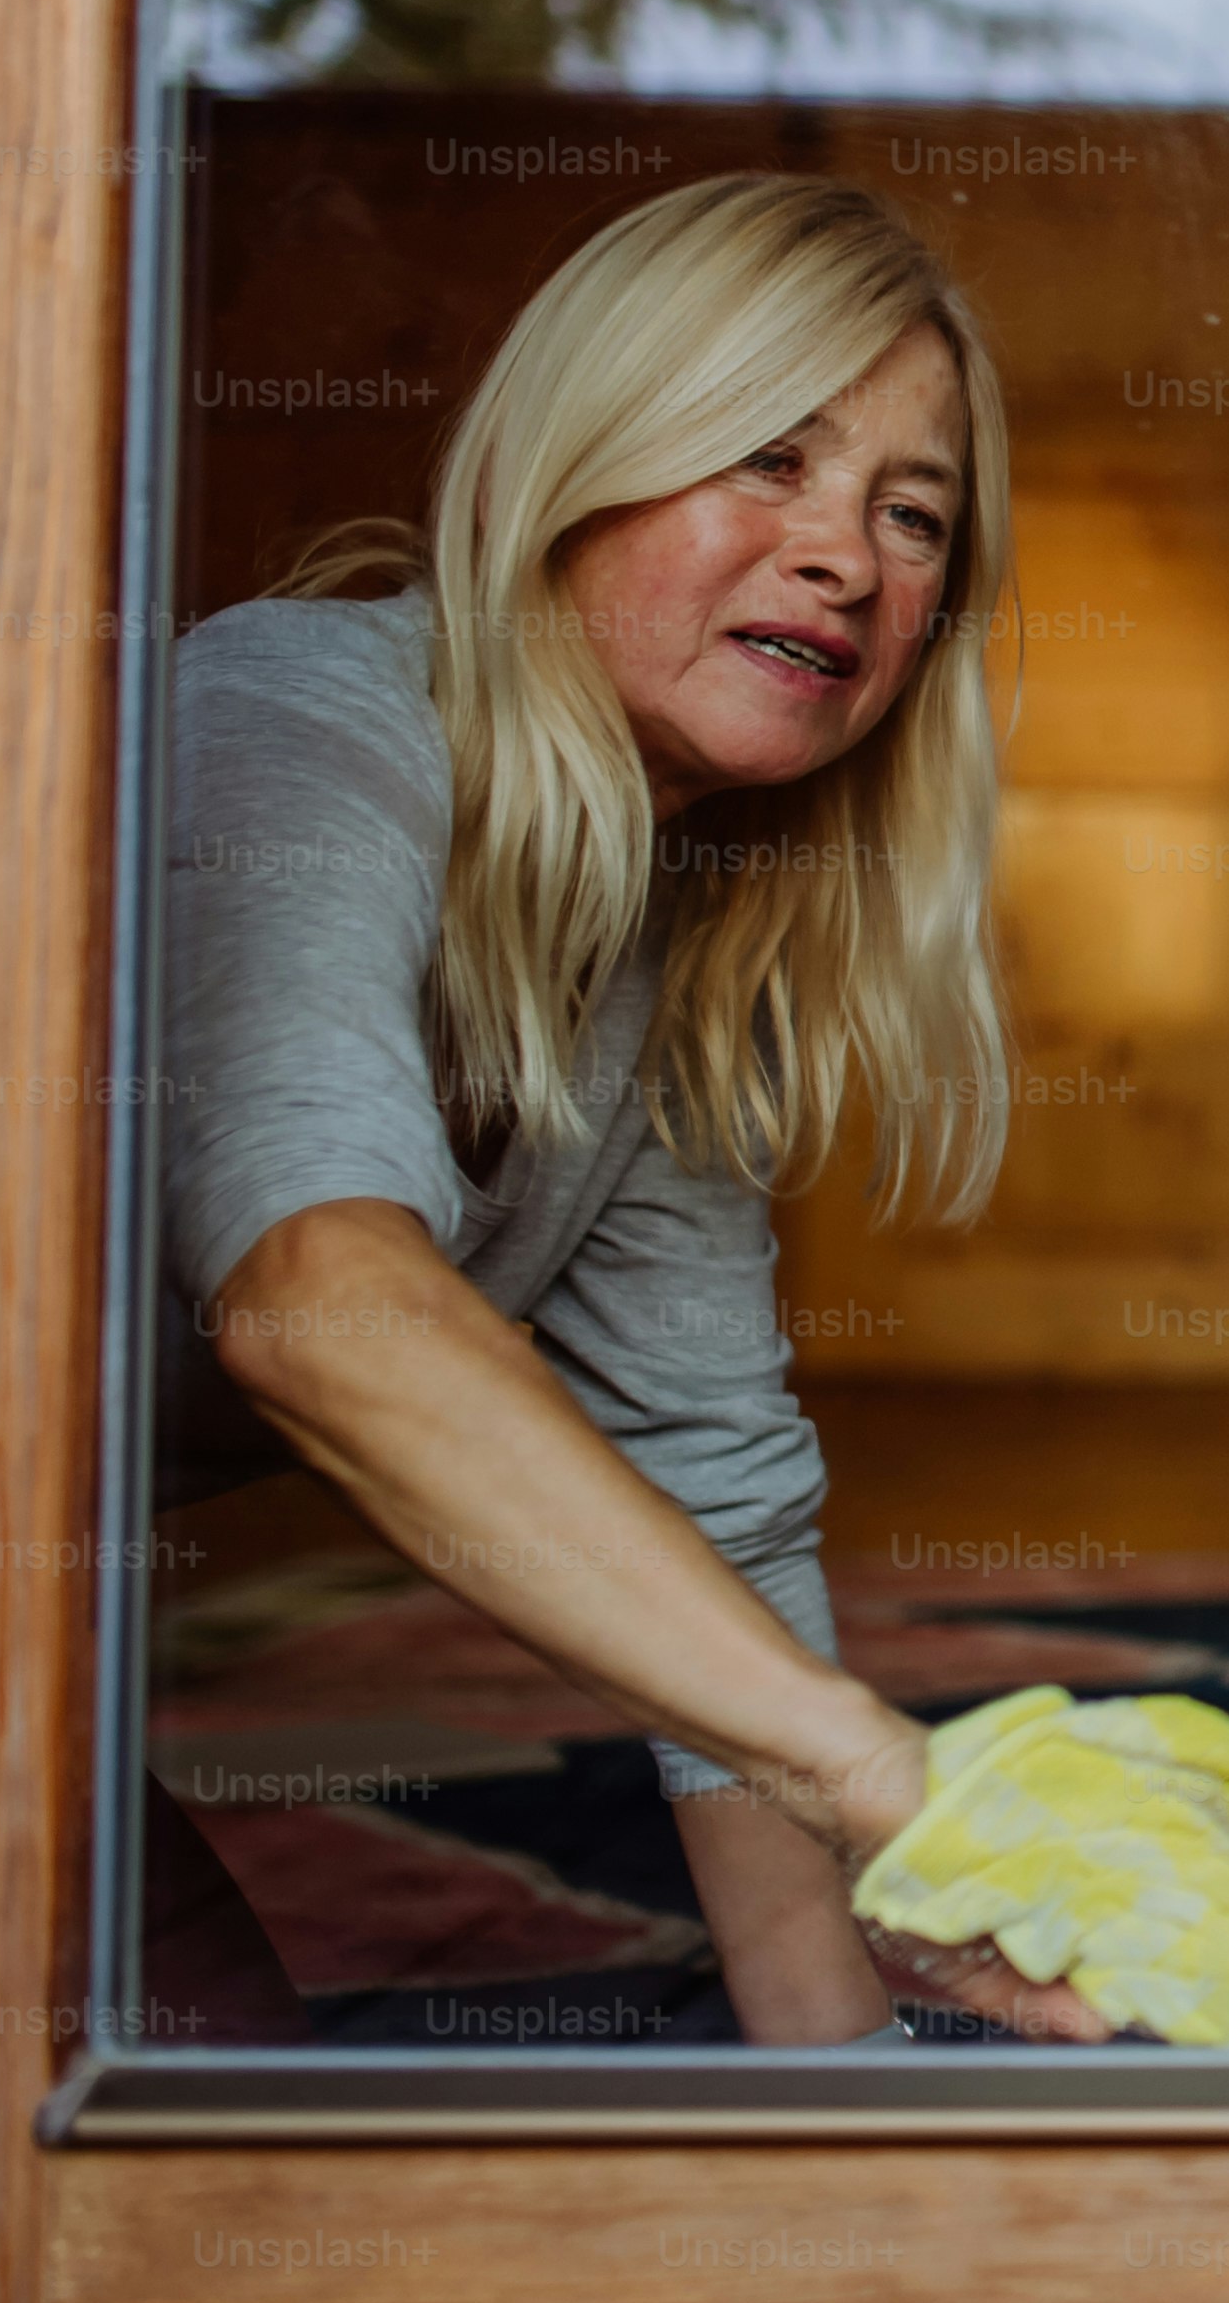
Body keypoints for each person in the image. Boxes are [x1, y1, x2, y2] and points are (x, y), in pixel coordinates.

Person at [152, 175, 1102, 2045]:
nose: (847, 554)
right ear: (582, 459)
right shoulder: (288, 724)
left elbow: (710, 1501)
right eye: (766, 459)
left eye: (911, 516)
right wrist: (878, 1776)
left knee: (233, 2131)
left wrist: (849, 2074)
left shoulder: (666, 938)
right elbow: (317, 1304)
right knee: (174, 2207)